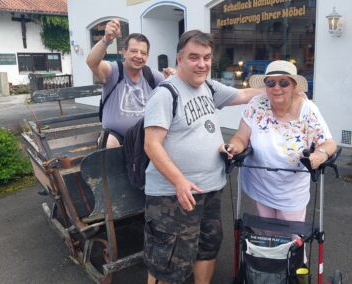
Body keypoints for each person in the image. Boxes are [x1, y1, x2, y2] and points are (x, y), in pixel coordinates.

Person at [143, 30, 264, 284]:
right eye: (194, 57)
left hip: (210, 189)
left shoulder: (208, 86)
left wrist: (276, 90)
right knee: (168, 259)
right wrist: (179, 180)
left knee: (207, 246)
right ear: (180, 59)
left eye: (207, 57)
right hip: (173, 195)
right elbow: (152, 145)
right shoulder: (165, 94)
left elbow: (241, 95)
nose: (202, 64)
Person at [221, 60, 337, 223]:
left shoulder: (308, 110)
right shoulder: (256, 104)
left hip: (292, 193)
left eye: (283, 83)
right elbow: (241, 138)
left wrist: (320, 154)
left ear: (294, 86)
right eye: (270, 83)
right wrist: (233, 147)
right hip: (260, 185)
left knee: (292, 240)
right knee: (267, 236)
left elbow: (329, 144)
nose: (276, 88)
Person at [86, 19, 174, 147]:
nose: (139, 56)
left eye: (143, 53)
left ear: (147, 56)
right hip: (116, 135)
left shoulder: (151, 75)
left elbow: (174, 90)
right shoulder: (114, 70)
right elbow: (92, 62)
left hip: (145, 135)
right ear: (124, 52)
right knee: (108, 143)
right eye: (133, 51)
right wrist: (107, 39)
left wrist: (173, 78)